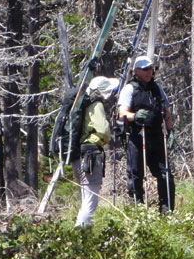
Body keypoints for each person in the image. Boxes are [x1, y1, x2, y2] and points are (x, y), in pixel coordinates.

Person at [118, 55, 175, 212]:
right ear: (136, 71)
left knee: (165, 174)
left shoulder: (157, 88)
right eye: (145, 69)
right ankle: (139, 210)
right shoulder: (130, 89)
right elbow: (122, 112)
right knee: (136, 175)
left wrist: (170, 130)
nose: (149, 72)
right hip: (137, 137)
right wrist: (134, 116)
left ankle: (167, 210)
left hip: (156, 136)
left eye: (151, 68)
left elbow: (166, 110)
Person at [74, 76, 120, 227]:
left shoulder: (85, 104)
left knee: (86, 199)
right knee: (90, 202)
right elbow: (103, 131)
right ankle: (81, 238)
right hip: (91, 155)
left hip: (80, 155)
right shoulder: (96, 104)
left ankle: (81, 236)